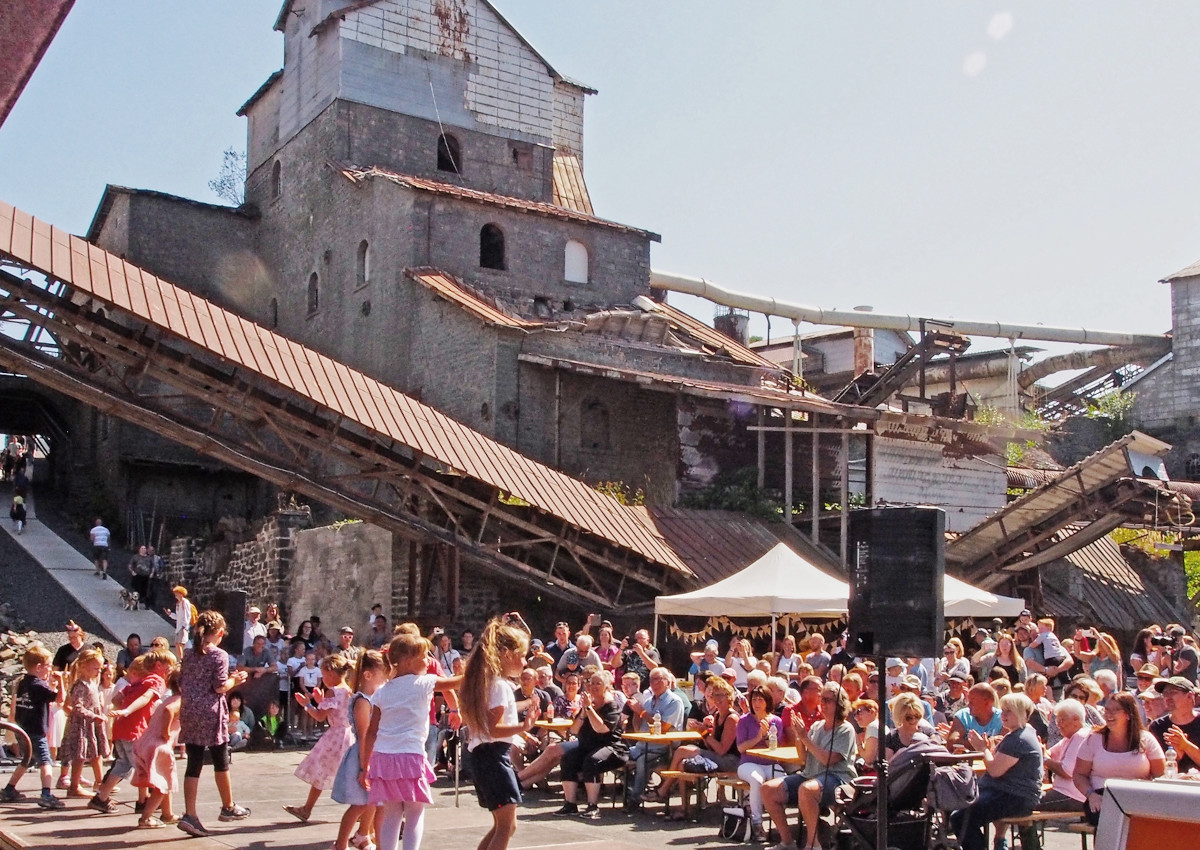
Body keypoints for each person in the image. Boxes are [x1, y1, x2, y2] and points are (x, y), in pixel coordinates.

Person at [460, 613, 538, 850]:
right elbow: (494, 728)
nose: (525, 663)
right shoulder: (500, 685)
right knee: (506, 827)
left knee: (502, 826)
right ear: (506, 655)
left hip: (486, 757)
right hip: (494, 758)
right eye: (522, 657)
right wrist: (525, 726)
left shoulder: (489, 682)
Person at [176, 610, 251, 838]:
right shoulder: (219, 655)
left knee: (194, 761)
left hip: (189, 710)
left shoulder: (189, 653)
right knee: (221, 757)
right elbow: (219, 686)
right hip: (210, 712)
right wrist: (235, 680)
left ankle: (190, 813)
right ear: (219, 633)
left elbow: (182, 680)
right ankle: (228, 806)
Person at [762, 682, 857, 850]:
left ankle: (813, 845)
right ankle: (787, 842)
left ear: (840, 703)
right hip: (811, 774)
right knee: (768, 789)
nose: (823, 704)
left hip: (837, 778)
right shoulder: (817, 726)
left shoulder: (845, 729)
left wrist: (805, 738)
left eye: (828, 700)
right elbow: (803, 757)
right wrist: (799, 736)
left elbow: (828, 760)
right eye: (822, 699)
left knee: (807, 790)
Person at [951, 694, 1043, 850]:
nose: (1003, 715)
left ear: (1021, 713)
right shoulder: (1020, 734)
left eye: (1009, 711)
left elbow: (994, 770)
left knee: (961, 818)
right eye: (1003, 710)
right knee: (961, 812)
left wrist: (983, 749)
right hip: (1008, 794)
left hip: (1015, 797)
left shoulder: (1019, 738)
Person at [90, 649, 177, 814]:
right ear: (159, 665)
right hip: (134, 729)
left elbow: (117, 698)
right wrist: (128, 710)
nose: (172, 670)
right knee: (143, 767)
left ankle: (101, 798)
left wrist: (123, 710)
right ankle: (145, 803)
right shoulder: (157, 681)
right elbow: (146, 698)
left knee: (124, 764)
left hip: (121, 727)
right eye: (170, 666)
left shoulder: (139, 680)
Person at [1074, 691, 1165, 826]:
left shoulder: (1146, 739)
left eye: (1115, 710)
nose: (1109, 714)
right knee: (1109, 820)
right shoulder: (1093, 739)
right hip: (1102, 796)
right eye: (1107, 710)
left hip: (1137, 796)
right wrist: (1091, 795)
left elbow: (1160, 775)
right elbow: (1079, 774)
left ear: (1128, 714)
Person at [650, 675, 741, 810]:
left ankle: (663, 789)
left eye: (721, 695)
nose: (717, 699)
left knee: (683, 750)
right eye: (715, 695)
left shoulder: (732, 718)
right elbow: (711, 745)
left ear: (729, 697)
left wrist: (703, 733)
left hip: (731, 761)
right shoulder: (717, 715)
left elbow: (722, 750)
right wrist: (703, 732)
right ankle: (684, 807)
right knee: (681, 764)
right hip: (718, 756)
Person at [284, 652, 356, 822]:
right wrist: (321, 700)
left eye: (323, 675)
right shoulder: (349, 690)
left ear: (331, 673)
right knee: (350, 773)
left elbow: (319, 716)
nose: (322, 679)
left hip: (336, 736)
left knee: (321, 771)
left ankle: (307, 809)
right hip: (350, 734)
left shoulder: (333, 692)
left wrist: (307, 704)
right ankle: (361, 808)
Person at [331, 650, 386, 850]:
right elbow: (364, 736)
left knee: (375, 804)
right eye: (383, 674)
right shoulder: (363, 701)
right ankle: (341, 844)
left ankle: (371, 840)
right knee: (359, 805)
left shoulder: (373, 699)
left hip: (372, 756)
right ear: (368, 675)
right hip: (363, 757)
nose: (386, 678)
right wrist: (365, 767)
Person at [554, 669, 627, 819]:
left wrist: (589, 709)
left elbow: (601, 729)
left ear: (606, 686)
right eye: (591, 683)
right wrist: (583, 713)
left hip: (612, 749)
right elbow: (573, 730)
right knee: (568, 758)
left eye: (597, 683)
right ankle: (570, 804)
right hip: (588, 746)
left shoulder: (611, 706)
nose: (593, 686)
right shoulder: (588, 704)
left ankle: (592, 806)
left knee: (592, 761)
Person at [0, 645, 65, 808]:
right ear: (38, 667)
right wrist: (61, 681)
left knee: (27, 760)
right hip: (36, 732)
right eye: (48, 666)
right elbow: (59, 699)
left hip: (22, 731)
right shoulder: (39, 685)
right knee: (46, 762)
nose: (50, 669)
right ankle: (46, 794)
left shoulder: (23, 683)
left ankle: (9, 789)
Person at [625, 665, 687, 807]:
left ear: (667, 681)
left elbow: (663, 727)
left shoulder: (674, 701)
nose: (655, 683)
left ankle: (635, 799)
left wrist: (642, 712)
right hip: (642, 745)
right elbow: (638, 729)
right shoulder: (648, 701)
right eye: (652, 680)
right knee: (619, 755)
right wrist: (636, 712)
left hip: (663, 748)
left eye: (659, 680)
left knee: (642, 760)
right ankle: (627, 791)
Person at [131, 667, 183, 829]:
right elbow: (168, 712)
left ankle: (167, 813)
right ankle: (145, 818)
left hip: (145, 743)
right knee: (163, 785)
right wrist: (166, 733)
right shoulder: (179, 700)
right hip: (159, 746)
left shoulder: (169, 698)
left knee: (163, 780)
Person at [735, 685, 786, 842]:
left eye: (760, 700)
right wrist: (758, 736)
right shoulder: (744, 721)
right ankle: (757, 822)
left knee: (783, 780)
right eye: (754, 699)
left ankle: (781, 824)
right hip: (748, 763)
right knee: (758, 779)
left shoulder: (776, 721)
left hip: (769, 762)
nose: (757, 703)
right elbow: (741, 748)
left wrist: (766, 736)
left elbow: (776, 746)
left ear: (767, 702)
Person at [60, 648, 108, 797]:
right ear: (83, 667)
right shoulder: (80, 686)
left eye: (100, 669)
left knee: (94, 753)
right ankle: (74, 787)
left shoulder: (92, 683)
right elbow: (77, 707)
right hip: (81, 726)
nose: (98, 672)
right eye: (95, 668)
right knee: (79, 756)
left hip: (90, 726)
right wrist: (94, 716)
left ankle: (99, 782)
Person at [1148, 676, 1200, 771]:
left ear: (1189, 696)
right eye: (1165, 693)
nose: (1167, 697)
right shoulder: (1157, 726)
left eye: (1173, 692)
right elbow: (1155, 767)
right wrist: (1177, 757)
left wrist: (1186, 746)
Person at [945, 683, 1002, 750]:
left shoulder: (1002, 717)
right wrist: (986, 743)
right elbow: (952, 743)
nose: (968, 705)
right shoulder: (963, 715)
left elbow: (1004, 745)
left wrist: (965, 742)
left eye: (972, 702)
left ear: (987, 703)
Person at [166, 586, 195, 658]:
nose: (175, 595)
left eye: (177, 593)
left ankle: (182, 660)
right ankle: (182, 659)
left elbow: (187, 614)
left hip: (183, 626)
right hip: (178, 627)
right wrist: (170, 614)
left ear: (181, 594)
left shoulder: (185, 602)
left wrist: (185, 625)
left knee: (180, 644)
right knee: (178, 644)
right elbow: (177, 617)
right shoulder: (178, 604)